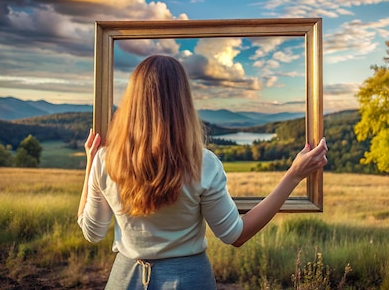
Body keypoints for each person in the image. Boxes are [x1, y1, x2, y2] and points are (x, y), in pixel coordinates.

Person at [78, 55, 328, 289]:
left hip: (125, 279)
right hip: (188, 279)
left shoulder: (104, 161)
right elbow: (236, 235)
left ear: (131, 101)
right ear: (183, 102)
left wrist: (91, 164)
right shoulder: (203, 163)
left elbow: (92, 232)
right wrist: (293, 175)